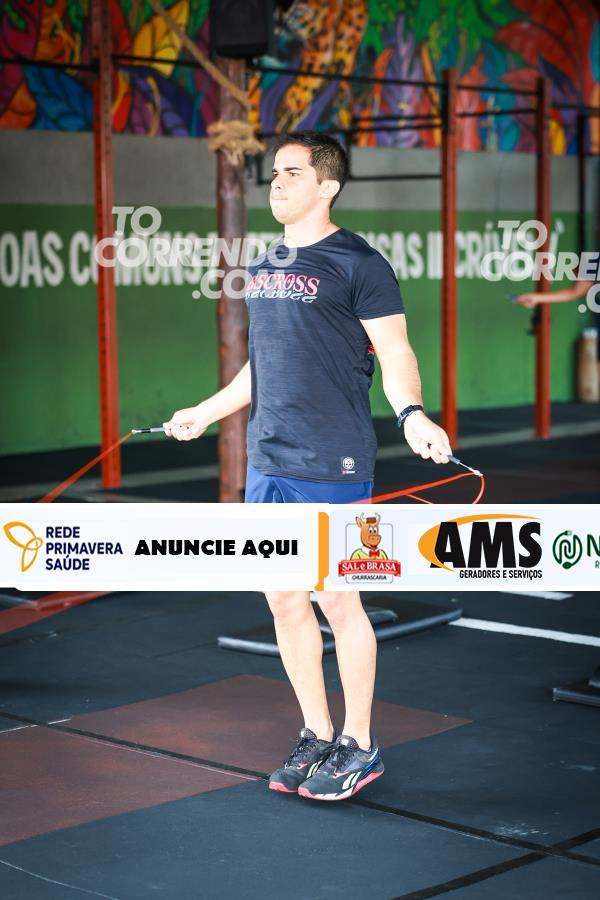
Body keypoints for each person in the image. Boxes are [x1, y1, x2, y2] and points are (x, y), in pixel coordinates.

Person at [163, 132, 452, 801]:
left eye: (292, 173)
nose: (277, 183)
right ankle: (316, 734)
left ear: (328, 186)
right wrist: (206, 411)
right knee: (283, 599)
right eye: (274, 174)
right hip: (268, 457)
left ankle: (360, 743)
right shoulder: (266, 263)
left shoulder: (360, 264)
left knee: (338, 600)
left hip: (332, 458)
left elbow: (395, 351)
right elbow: (262, 364)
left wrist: (412, 414)